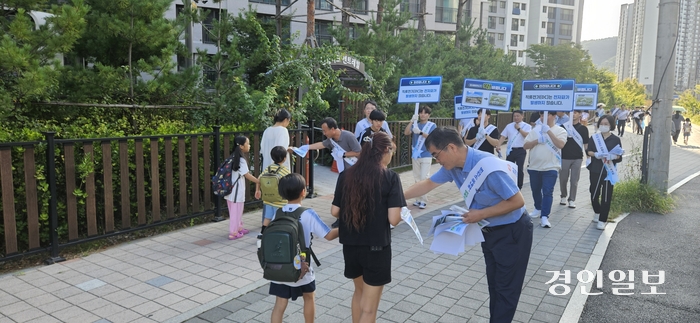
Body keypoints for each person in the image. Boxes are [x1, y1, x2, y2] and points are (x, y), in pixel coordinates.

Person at [403, 127, 532, 323]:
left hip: (512, 232)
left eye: (437, 155)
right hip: (488, 232)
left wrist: (481, 213)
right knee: (495, 287)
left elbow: (517, 201)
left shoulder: (487, 166)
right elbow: (428, 183)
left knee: (506, 289)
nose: (437, 161)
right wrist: (394, 197)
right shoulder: (452, 167)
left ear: (451, 147)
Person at [331, 132, 405, 323]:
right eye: (392, 152)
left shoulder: (346, 175)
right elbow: (394, 219)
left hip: (350, 246)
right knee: (370, 309)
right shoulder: (390, 177)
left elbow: (334, 211)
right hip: (376, 248)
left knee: (359, 293)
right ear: (386, 150)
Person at [269, 173, 339, 323]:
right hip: (302, 266)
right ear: (303, 192)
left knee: (280, 304)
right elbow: (329, 235)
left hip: (280, 267)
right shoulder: (307, 214)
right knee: (309, 297)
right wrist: (346, 227)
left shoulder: (278, 213)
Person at [523, 111, 568, 228]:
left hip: (551, 166)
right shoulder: (535, 130)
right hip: (534, 166)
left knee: (548, 191)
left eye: (546, 115)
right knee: (535, 190)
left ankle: (544, 217)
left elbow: (561, 145)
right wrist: (537, 141)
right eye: (541, 115)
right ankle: (538, 208)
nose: (543, 117)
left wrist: (548, 131)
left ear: (554, 116)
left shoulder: (561, 130)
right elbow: (525, 145)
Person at [586, 115, 623, 230]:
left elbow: (619, 156)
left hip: (608, 171)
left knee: (606, 196)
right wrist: (596, 154)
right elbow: (588, 151)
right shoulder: (595, 137)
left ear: (611, 125)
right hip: (595, 169)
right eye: (602, 123)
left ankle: (602, 219)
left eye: (606, 124)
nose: (604, 126)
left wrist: (613, 156)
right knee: (594, 193)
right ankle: (597, 212)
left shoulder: (616, 139)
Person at [225, 136, 260, 240]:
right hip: (236, 191)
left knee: (235, 210)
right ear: (241, 146)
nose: (249, 145)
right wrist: (258, 181)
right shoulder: (241, 160)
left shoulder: (231, 158)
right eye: (247, 143)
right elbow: (247, 175)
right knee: (236, 211)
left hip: (230, 190)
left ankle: (239, 227)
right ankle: (233, 233)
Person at [254, 146, 291, 235]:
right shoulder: (285, 171)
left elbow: (259, 179)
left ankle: (262, 233)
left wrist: (257, 190)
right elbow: (290, 183)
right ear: (285, 158)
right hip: (280, 201)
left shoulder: (269, 168)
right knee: (279, 218)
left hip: (268, 199)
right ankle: (278, 233)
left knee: (268, 217)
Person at [404, 106, 436, 209]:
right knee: (417, 178)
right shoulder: (415, 124)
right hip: (415, 154)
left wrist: (421, 133)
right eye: (421, 113)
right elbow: (406, 132)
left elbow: (433, 138)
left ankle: (424, 200)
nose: (423, 114)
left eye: (425, 113)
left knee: (424, 178)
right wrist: (412, 121)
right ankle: (418, 199)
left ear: (428, 115)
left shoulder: (432, 125)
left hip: (426, 154)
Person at [558, 110, 589, 209]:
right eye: (571, 113)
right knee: (563, 179)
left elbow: (586, 144)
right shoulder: (563, 127)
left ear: (580, 114)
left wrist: (588, 157)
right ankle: (563, 196)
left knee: (574, 180)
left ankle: (572, 199)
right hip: (564, 157)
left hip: (577, 158)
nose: (573, 114)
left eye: (576, 112)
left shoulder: (583, 129)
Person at [498, 110, 532, 189]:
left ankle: (519, 186)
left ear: (522, 116)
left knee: (519, 168)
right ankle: (509, 184)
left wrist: (519, 129)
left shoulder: (526, 126)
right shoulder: (509, 126)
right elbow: (503, 136)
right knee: (508, 168)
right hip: (511, 150)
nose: (516, 118)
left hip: (521, 150)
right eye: (514, 116)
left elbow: (527, 136)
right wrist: (498, 145)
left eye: (518, 116)